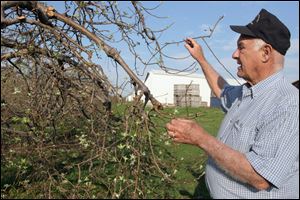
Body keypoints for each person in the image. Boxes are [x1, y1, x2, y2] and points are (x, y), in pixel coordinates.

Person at [166, 9, 299, 199]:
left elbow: (260, 176)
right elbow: (222, 90)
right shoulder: (246, 93)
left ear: (265, 53)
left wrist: (201, 138)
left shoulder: (288, 105)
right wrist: (201, 59)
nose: (234, 55)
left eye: (241, 47)